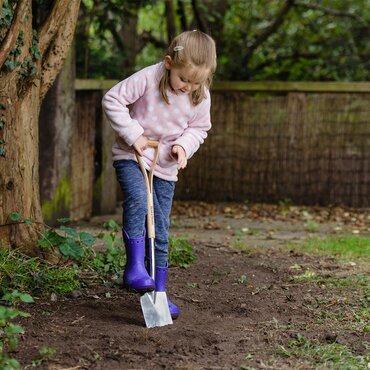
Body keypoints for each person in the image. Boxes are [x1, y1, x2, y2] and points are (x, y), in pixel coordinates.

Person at [102, 30, 217, 320]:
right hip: (134, 156)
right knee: (139, 199)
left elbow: (199, 128)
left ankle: (160, 293)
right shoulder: (149, 78)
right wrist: (134, 135)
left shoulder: (199, 96)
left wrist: (183, 146)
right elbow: (113, 99)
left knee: (161, 227)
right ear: (169, 63)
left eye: (196, 82)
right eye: (184, 79)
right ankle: (134, 268)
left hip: (165, 167)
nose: (188, 87)